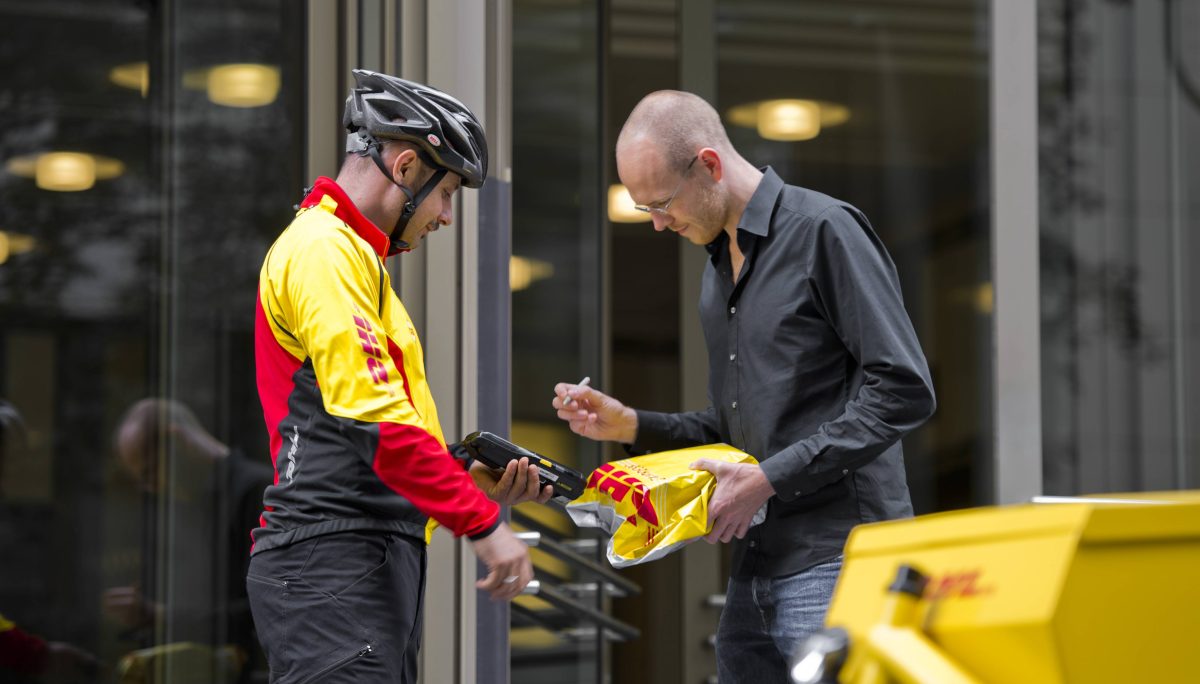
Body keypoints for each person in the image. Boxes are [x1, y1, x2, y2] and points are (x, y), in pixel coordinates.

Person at [552, 90, 936, 682]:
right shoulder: (716, 272)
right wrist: (630, 424)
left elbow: (904, 388)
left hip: (843, 559)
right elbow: (738, 430)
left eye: (660, 203)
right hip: (757, 567)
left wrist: (768, 480)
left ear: (708, 165)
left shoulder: (823, 230)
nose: (656, 224)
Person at [247, 70, 550, 684]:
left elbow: (361, 424)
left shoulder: (352, 257)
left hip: (355, 558)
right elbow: (376, 422)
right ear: (407, 166)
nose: (445, 216)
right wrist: (484, 526)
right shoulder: (324, 251)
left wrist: (467, 483)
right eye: (448, 193)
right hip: (331, 559)